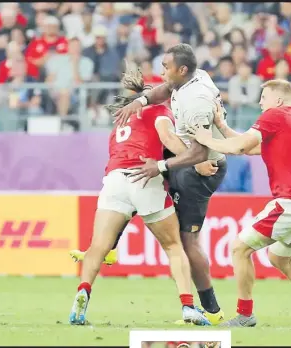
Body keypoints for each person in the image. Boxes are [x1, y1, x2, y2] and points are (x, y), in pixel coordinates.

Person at [186, 79, 291, 328]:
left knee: (239, 249)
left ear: (277, 100)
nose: (259, 102)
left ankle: (245, 315)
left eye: (263, 96)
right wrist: (222, 126)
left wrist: (206, 139)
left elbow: (240, 146)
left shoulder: (274, 115)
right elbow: (250, 147)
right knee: (280, 259)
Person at [68, 82, 212, 326]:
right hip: (144, 176)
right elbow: (167, 138)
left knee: (97, 247)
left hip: (114, 181)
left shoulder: (121, 121)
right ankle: (188, 306)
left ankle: (82, 293)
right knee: (174, 246)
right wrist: (195, 161)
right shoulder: (159, 112)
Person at [105, 44, 229, 325]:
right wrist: (140, 101)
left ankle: (212, 310)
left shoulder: (195, 99)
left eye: (165, 67)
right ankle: (111, 245)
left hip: (200, 168)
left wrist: (160, 166)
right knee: (144, 193)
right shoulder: (188, 81)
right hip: (186, 161)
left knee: (187, 241)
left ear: (181, 69)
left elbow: (198, 152)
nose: (161, 73)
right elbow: (164, 90)